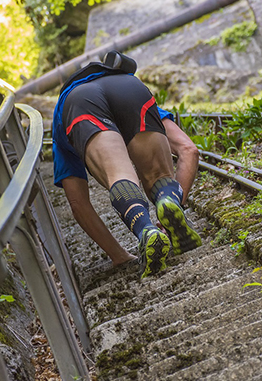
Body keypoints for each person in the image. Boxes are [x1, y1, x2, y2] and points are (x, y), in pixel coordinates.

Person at [52, 51, 201, 278]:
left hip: (79, 104)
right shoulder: (123, 82)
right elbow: (189, 150)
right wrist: (176, 206)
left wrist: (119, 254)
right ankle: (169, 200)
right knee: (159, 177)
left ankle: (146, 231)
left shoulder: (62, 113)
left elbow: (77, 203)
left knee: (119, 175)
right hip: (130, 89)